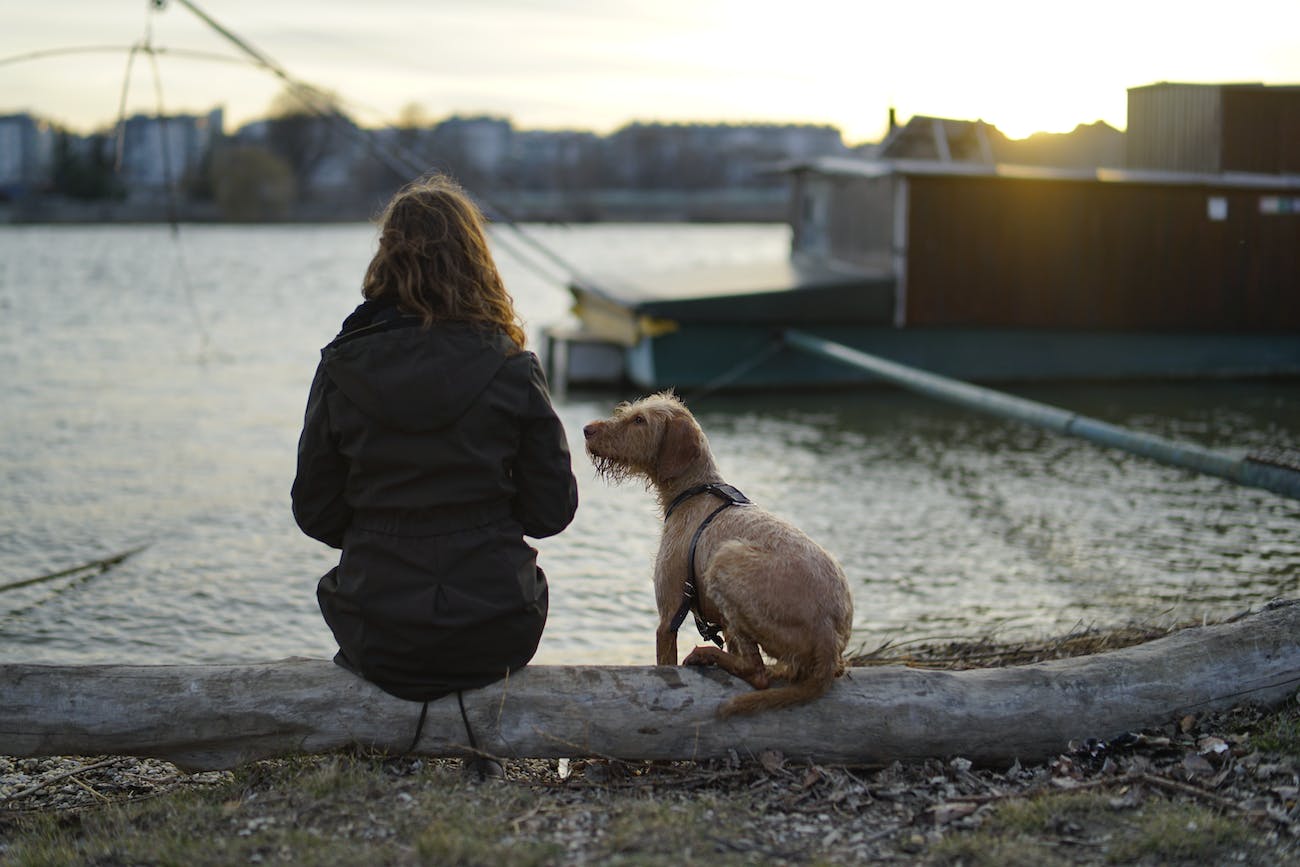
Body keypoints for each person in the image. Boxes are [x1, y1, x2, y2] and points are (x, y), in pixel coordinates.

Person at [291, 174, 578, 717]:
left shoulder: (341, 366)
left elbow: (315, 513)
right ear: (476, 260)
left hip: (378, 632)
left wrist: (380, 529)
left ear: (385, 259)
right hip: (496, 630)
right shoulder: (513, 369)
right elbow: (551, 512)